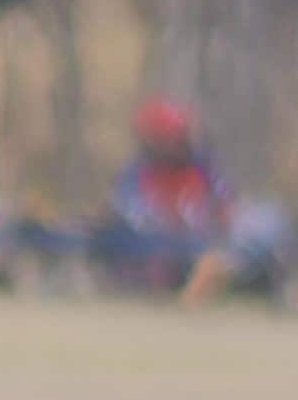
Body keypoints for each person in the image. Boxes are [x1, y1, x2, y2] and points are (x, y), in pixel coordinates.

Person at [93, 97, 274, 303]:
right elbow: (126, 211)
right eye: (167, 138)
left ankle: (224, 275)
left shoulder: (203, 167)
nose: (175, 144)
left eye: (179, 136)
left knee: (261, 226)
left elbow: (227, 205)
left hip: (202, 241)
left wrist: (219, 222)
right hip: (161, 246)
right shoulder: (138, 174)